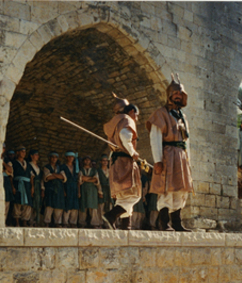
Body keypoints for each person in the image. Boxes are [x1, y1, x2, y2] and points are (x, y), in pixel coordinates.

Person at [147, 74, 194, 232]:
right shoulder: (161, 114)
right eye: (175, 93)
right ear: (169, 95)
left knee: (180, 189)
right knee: (166, 189)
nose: (178, 96)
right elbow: (155, 137)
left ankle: (177, 223)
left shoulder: (182, 117)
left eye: (180, 94)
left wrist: (188, 160)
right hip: (167, 155)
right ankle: (164, 223)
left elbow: (186, 141)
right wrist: (158, 160)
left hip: (180, 156)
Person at [103, 94, 142, 230]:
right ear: (130, 111)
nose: (136, 118)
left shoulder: (114, 122)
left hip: (116, 161)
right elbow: (125, 136)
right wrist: (133, 152)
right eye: (136, 115)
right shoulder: (126, 120)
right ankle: (111, 216)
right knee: (134, 194)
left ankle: (126, 226)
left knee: (123, 196)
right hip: (125, 160)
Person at [78, 156, 103, 229]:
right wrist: (91, 178)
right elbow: (81, 178)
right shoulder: (81, 170)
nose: (87, 161)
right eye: (85, 160)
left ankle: (94, 223)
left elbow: (96, 180)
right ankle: (82, 223)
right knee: (83, 207)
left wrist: (86, 179)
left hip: (93, 191)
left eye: (88, 160)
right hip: (84, 190)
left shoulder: (94, 170)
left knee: (93, 207)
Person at [42, 152, 66, 228]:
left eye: (56, 157)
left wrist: (53, 174)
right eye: (52, 157)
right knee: (49, 206)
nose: (54, 159)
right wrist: (58, 176)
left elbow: (63, 177)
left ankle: (57, 222)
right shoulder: (46, 167)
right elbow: (47, 177)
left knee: (58, 206)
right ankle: (47, 222)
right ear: (49, 158)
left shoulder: (60, 168)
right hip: (50, 189)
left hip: (59, 190)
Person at [11, 146, 32, 227]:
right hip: (18, 184)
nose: (24, 153)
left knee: (27, 204)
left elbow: (31, 176)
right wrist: (13, 186)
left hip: (27, 185)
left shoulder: (27, 164)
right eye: (22, 151)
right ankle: (17, 222)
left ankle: (24, 222)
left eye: (24, 152)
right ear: (18, 152)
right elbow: (11, 176)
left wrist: (32, 187)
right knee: (17, 203)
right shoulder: (13, 163)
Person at [60, 152, 80, 228]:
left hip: (74, 187)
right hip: (67, 186)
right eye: (69, 157)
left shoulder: (76, 167)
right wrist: (64, 190)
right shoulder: (63, 167)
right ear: (66, 158)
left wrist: (78, 191)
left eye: (72, 157)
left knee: (75, 205)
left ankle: (73, 222)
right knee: (67, 204)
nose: (70, 158)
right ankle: (65, 222)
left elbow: (78, 180)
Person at [27, 149, 43, 227]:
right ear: (31, 156)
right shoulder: (29, 165)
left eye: (37, 155)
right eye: (36, 155)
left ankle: (36, 221)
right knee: (32, 203)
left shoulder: (38, 167)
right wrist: (32, 187)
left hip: (38, 186)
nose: (37, 156)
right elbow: (31, 177)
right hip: (32, 185)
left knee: (38, 203)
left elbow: (41, 178)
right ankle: (31, 221)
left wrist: (42, 188)